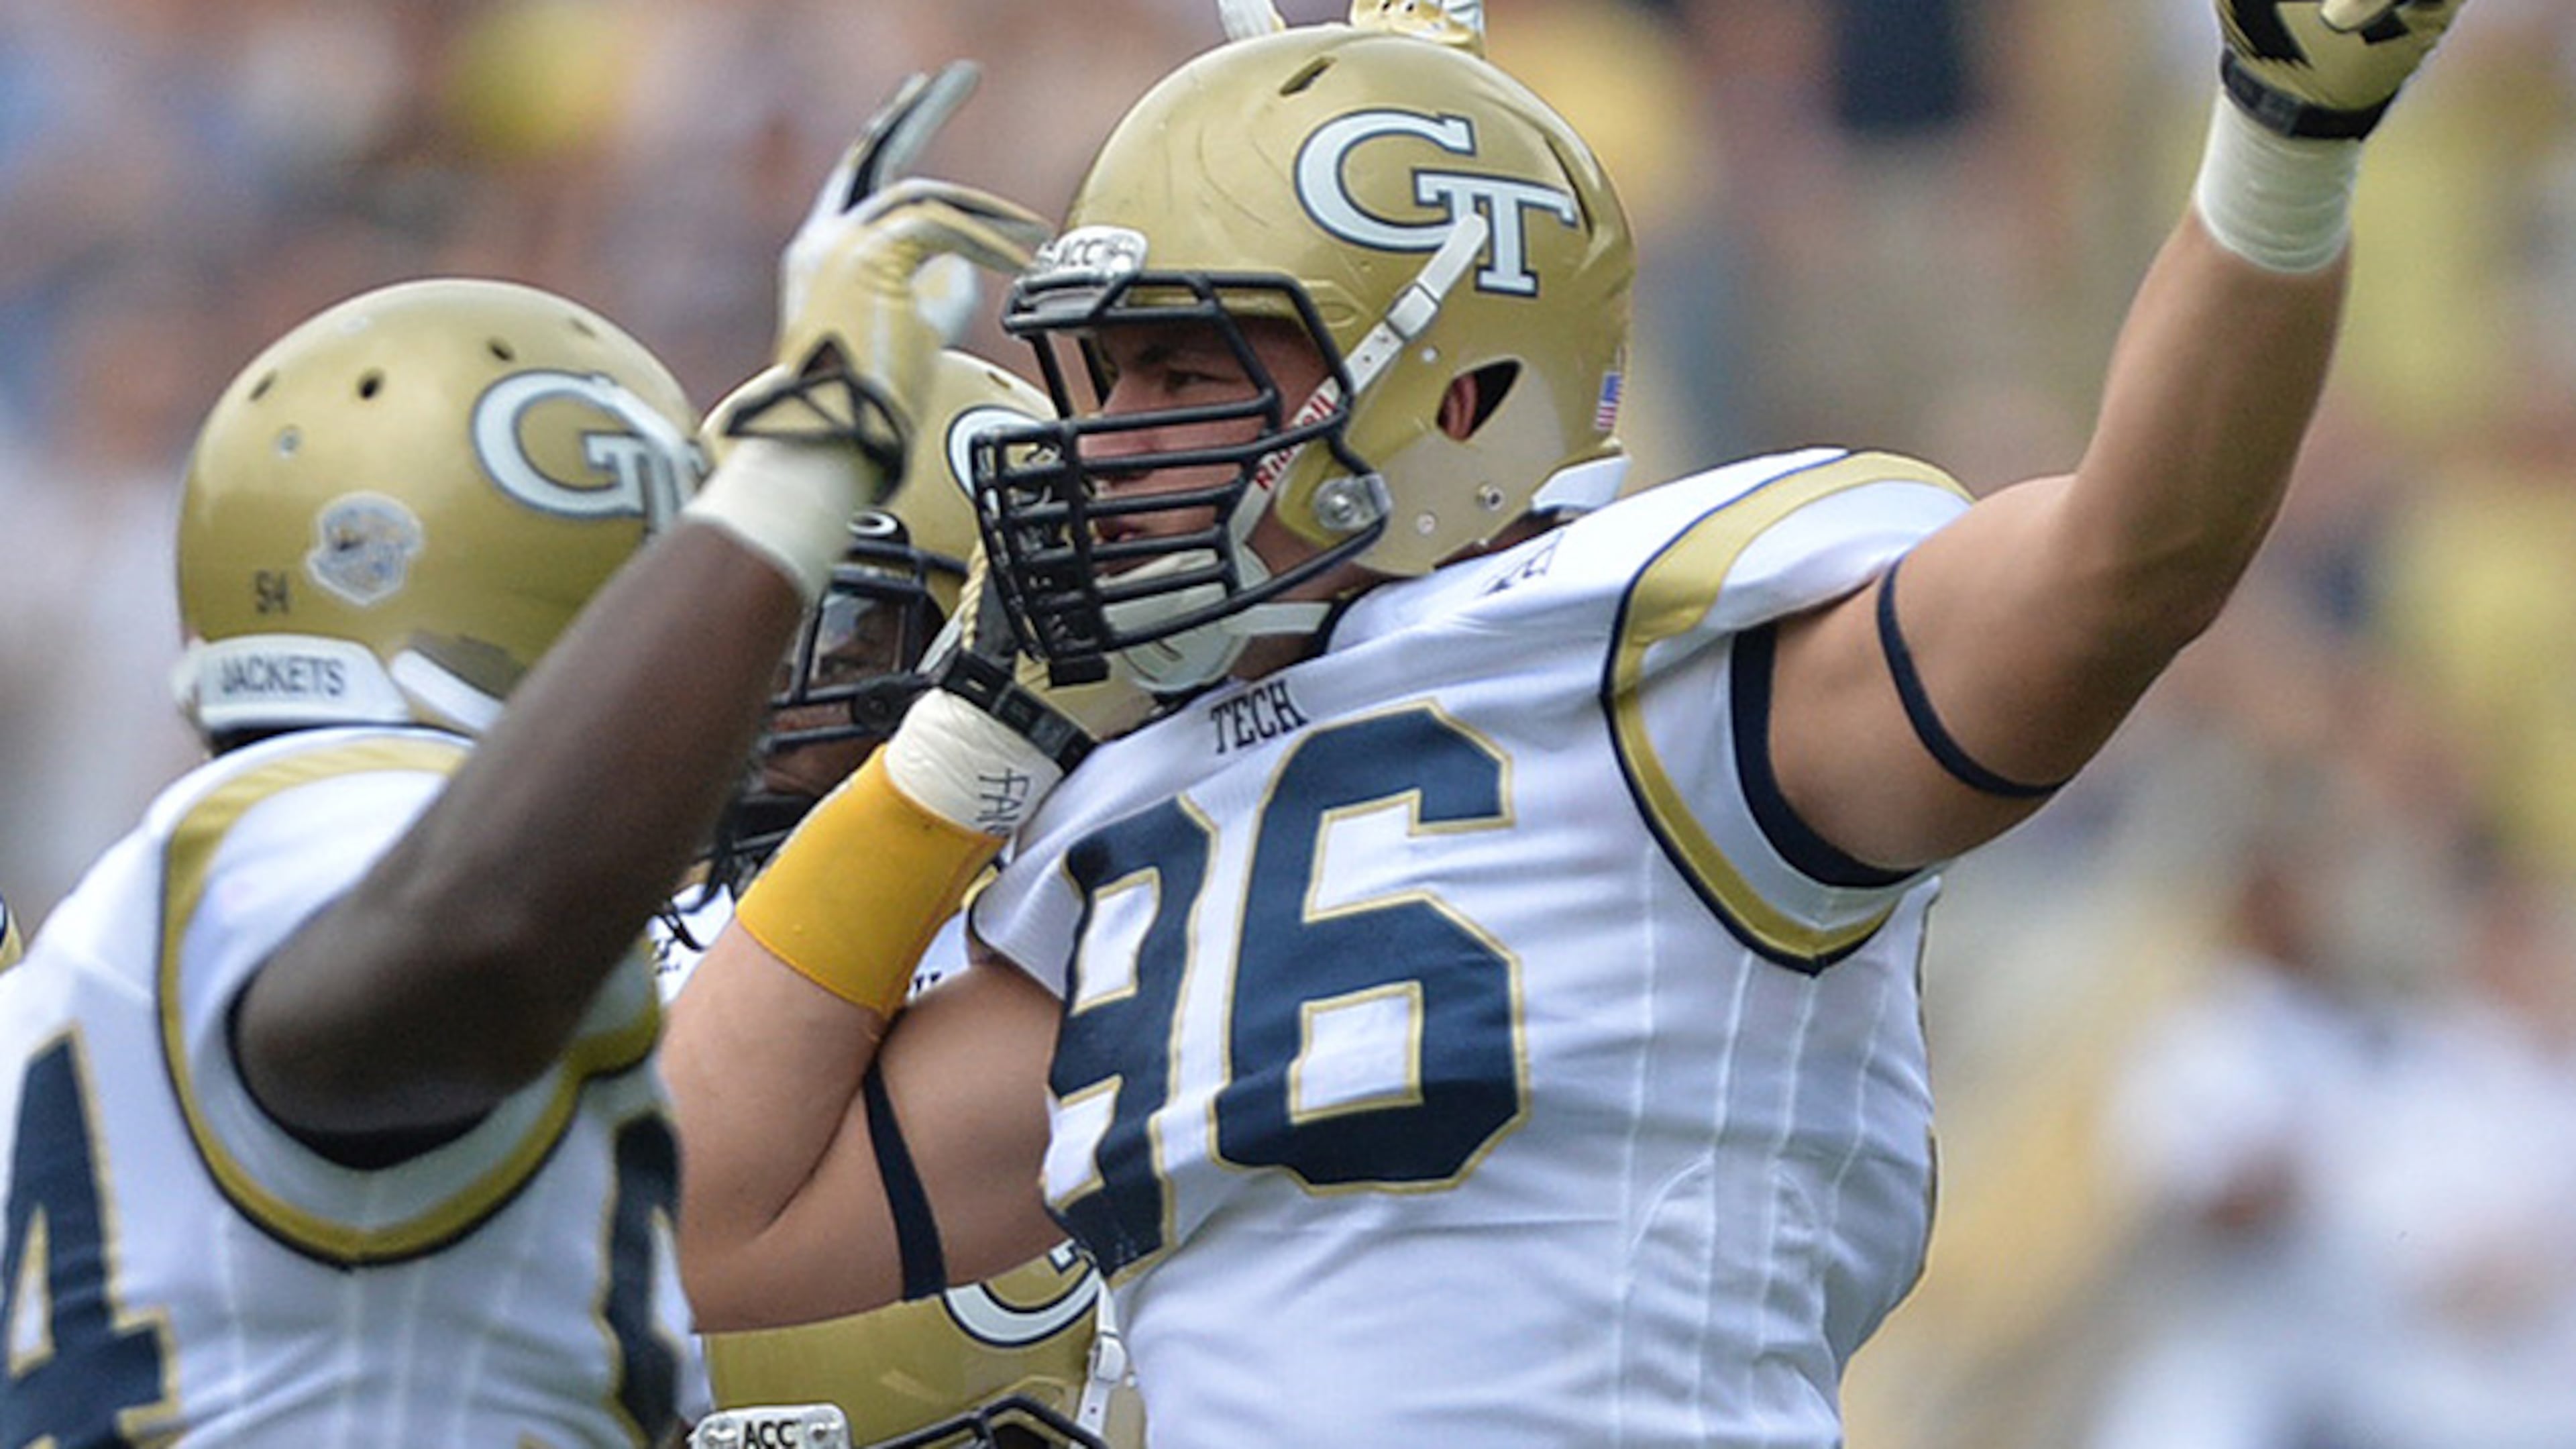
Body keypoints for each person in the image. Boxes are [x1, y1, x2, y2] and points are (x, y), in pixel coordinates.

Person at [665, 0, 2469, 1444]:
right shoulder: (1137, 818)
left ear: (1461, 401)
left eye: (1190, 369)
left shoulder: (1673, 670)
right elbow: (697, 1218)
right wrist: (957, 763)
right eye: (1107, 376)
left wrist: (2278, 157)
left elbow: (2124, 564)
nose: (1112, 441)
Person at [0, 138, 1045, 1441]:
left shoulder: (116, 932)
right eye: (724, 597)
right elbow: (476, 946)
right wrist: (801, 471)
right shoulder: (334, 832)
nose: (735, 661)